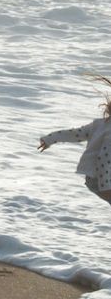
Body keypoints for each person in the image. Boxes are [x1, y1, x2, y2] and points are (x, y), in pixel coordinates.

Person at [38, 78, 111, 207]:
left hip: (96, 178)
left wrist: (50, 138)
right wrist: (106, 188)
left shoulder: (99, 125)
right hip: (101, 179)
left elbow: (75, 134)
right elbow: (104, 159)